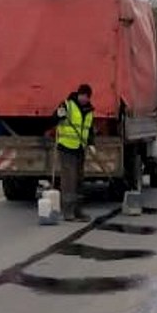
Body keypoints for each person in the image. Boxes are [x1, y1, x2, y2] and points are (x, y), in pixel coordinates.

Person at [54, 83, 95, 222]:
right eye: (82, 95)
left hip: (80, 149)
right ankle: (68, 211)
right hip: (66, 148)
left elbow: (89, 129)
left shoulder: (89, 110)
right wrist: (59, 115)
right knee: (69, 180)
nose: (84, 99)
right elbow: (55, 119)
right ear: (78, 94)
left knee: (79, 180)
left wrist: (91, 143)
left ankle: (78, 210)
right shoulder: (67, 105)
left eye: (87, 97)